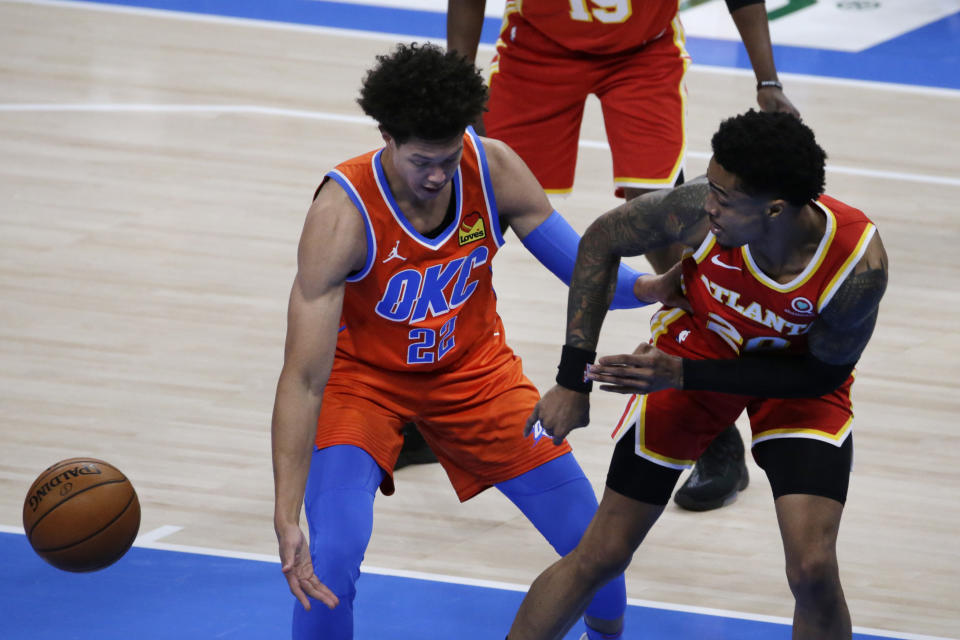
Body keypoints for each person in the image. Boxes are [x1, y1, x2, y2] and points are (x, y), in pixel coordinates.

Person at [270, 42, 656, 640]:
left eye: (448, 158)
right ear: (387, 136)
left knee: (597, 544)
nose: (436, 175)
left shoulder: (493, 167)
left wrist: (658, 286)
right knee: (331, 558)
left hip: (475, 373)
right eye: (422, 159)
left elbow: (586, 270)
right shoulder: (342, 214)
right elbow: (302, 378)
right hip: (364, 382)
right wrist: (284, 511)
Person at [506, 110, 888, 640]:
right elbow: (599, 241)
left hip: (791, 378)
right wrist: (573, 380)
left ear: (775, 209)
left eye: (724, 197)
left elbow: (818, 378)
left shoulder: (856, 268)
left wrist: (684, 374)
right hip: (700, 344)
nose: (707, 203)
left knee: (813, 570)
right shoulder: (697, 213)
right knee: (602, 553)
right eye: (710, 186)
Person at [447, 0, 801, 511]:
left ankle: (710, 420)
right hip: (539, 49)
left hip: (642, 51)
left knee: (661, 218)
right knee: (479, 200)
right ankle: (430, 389)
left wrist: (767, 80)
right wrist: (458, 82)